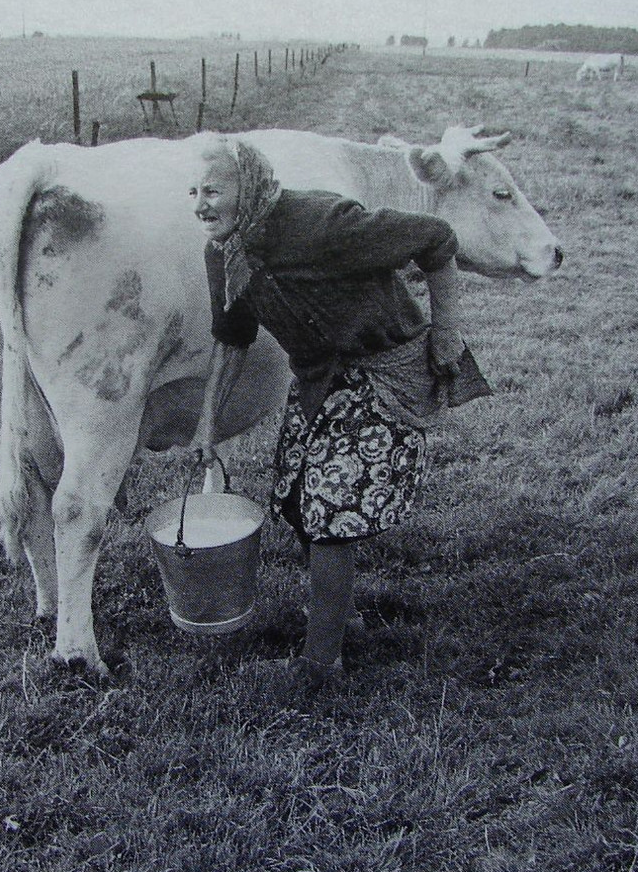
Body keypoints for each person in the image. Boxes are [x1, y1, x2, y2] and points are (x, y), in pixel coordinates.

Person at [186, 135, 492, 686]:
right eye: (193, 192)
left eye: (212, 190)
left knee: (329, 512)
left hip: (384, 368)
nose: (200, 204)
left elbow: (438, 238)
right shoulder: (224, 254)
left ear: (248, 187)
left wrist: (446, 331)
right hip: (320, 378)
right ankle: (338, 611)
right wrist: (207, 426)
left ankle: (319, 666)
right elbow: (232, 339)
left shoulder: (320, 222)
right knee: (299, 501)